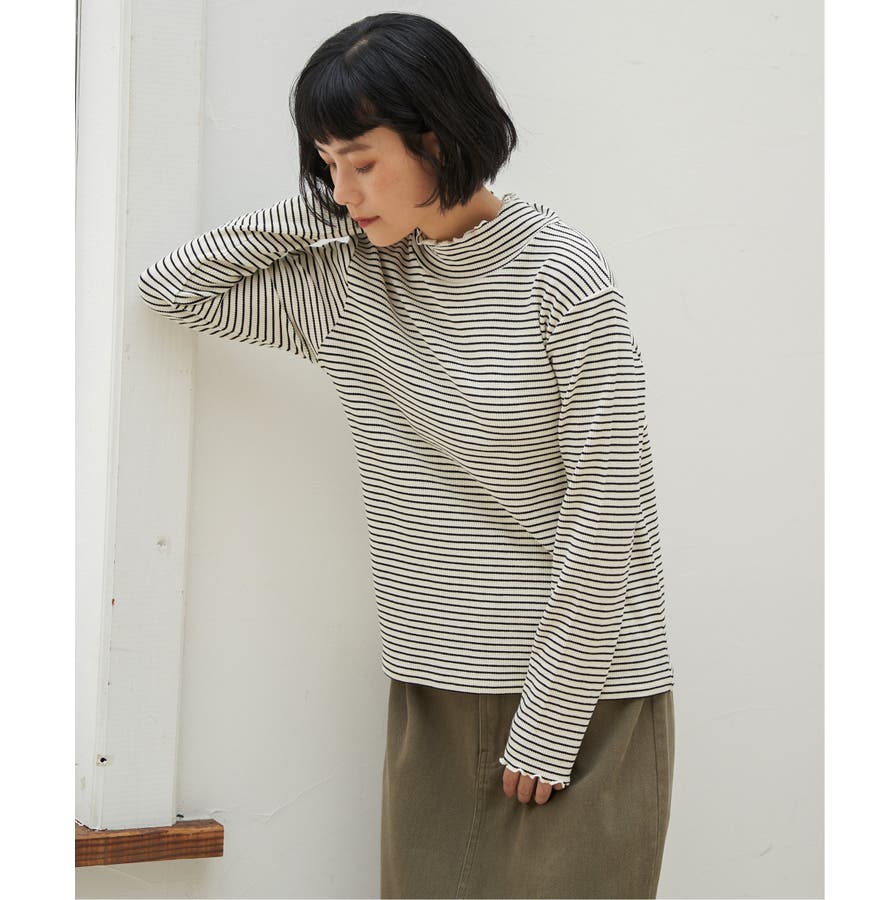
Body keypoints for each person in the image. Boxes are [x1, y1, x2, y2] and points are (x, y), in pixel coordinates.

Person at [137, 11, 676, 899]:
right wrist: (329, 208)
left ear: (438, 138)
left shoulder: (563, 277)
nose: (343, 191)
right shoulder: (355, 284)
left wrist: (551, 715)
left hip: (584, 697)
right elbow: (174, 288)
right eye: (326, 165)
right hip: (432, 685)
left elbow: (608, 504)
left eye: (362, 162)